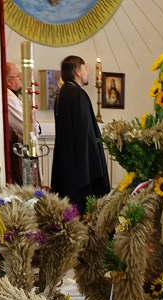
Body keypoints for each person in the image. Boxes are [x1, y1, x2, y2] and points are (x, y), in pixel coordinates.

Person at [51, 55, 110, 213]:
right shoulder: (77, 94)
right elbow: (87, 134)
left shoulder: (62, 93)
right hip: (81, 168)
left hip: (67, 165)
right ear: (77, 72)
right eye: (85, 69)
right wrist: (95, 165)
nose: (88, 73)